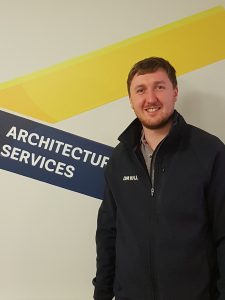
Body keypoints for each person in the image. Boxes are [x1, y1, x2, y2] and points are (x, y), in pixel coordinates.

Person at [92, 57, 225, 300]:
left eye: (159, 87)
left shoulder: (210, 151)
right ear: (131, 101)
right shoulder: (119, 159)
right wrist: (101, 294)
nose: (150, 98)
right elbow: (108, 233)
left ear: (175, 92)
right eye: (140, 90)